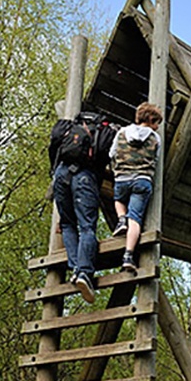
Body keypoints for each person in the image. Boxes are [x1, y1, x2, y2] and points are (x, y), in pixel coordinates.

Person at [49, 112, 112, 303]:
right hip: (85, 176)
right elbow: (105, 159)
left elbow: (53, 148)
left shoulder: (69, 127)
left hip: (61, 174)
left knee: (68, 224)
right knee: (87, 227)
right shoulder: (103, 130)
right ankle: (83, 272)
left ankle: (76, 268)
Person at [109, 101, 163, 272]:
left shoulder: (122, 132)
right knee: (136, 219)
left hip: (122, 178)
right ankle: (128, 255)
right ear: (152, 120)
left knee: (118, 199)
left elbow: (112, 153)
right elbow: (156, 157)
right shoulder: (155, 138)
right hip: (142, 179)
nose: (157, 127)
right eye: (157, 123)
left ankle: (121, 219)